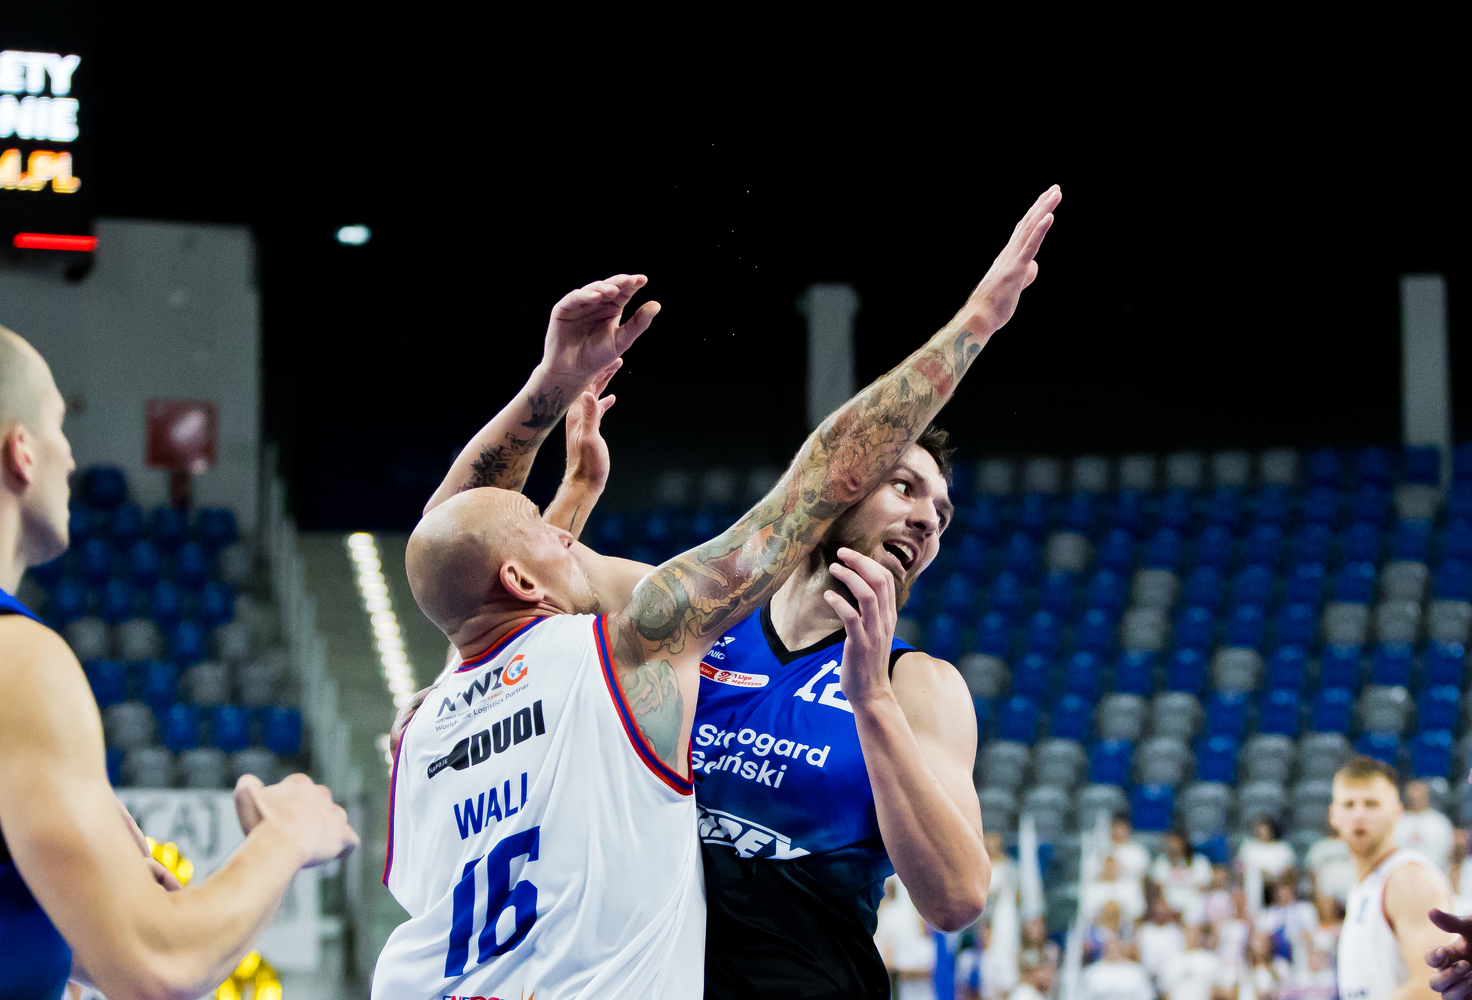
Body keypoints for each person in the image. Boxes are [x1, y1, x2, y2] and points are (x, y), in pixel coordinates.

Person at [374, 184, 1061, 999]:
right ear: (840, 492)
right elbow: (464, 548)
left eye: (942, 513)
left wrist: (871, 702)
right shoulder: (673, 632)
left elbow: (958, 898)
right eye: (904, 486)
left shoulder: (919, 684)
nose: (927, 519)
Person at [0, 326, 360, 999]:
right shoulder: (17, 661)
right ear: (21, 451)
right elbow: (157, 967)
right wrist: (286, 835)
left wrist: (98, 909)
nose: (71, 458)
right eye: (58, 427)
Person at [1329, 755, 1455, 1000]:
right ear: (1333, 815)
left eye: (1371, 804)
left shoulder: (1408, 879)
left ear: (1397, 812)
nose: (1359, 814)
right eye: (1349, 804)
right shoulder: (1364, 886)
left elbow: (1434, 987)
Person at [1152, 830, 1214, 925]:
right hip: (1169, 907)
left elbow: (1203, 888)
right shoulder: (1161, 862)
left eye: (1175, 842)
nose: (1173, 846)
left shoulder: (1199, 862)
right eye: (1170, 843)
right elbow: (1159, 890)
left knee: (1195, 909)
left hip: (1192, 904)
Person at [1397, 781, 1455, 876]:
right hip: (1401, 876)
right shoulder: (1397, 820)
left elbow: (1448, 854)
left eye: (1419, 795)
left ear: (1427, 796)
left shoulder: (1439, 822)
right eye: (1413, 796)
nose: (1415, 798)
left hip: (1434, 875)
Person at [1159, 924, 1221, 1000]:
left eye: (1195, 932)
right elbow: (1167, 992)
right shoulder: (1172, 961)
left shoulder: (1209, 960)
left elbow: (1215, 991)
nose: (1192, 935)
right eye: (1189, 931)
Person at [1081, 935, 1153, 1000]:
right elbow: (1083, 996)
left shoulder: (1135, 971)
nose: (1113, 950)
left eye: (1116, 947)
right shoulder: (1092, 972)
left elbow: (1145, 995)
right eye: (1110, 948)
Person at [1138, 894, 1187, 989]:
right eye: (1158, 910)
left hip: (1170, 975)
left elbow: (1180, 954)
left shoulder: (1174, 931)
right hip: (1149, 975)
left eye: (1163, 910)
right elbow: (1139, 954)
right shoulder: (1145, 930)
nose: (1160, 912)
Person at [1084, 854, 1147, 925]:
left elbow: (1137, 912)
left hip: (1124, 926)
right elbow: (1088, 913)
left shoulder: (1129, 888)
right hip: (1099, 927)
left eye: (1112, 866)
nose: (1110, 869)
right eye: (1107, 866)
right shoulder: (1093, 889)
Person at [1306, 825, 1357, 904]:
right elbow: (1312, 873)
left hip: (1350, 888)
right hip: (1326, 891)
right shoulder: (1320, 846)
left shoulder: (1351, 843)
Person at [1108, 813, 1151, 886]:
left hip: (1130, 889)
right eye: (1115, 827)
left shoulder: (1138, 851)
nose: (1118, 831)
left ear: (1128, 829)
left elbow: (1142, 874)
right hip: (1107, 889)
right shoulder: (1104, 849)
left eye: (1122, 827)